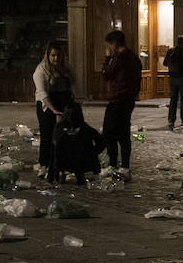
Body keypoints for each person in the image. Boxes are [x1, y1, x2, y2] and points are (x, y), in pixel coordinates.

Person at [101, 30, 141, 180]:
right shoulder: (134, 58)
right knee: (124, 133)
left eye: (110, 45)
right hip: (128, 100)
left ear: (114, 44)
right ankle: (125, 167)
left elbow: (106, 75)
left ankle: (113, 165)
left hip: (117, 99)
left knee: (109, 132)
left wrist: (107, 58)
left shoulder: (118, 58)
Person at [32, 41, 75, 173]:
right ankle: (44, 164)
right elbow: (43, 93)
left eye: (58, 55)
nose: (56, 58)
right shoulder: (41, 70)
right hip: (47, 105)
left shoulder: (66, 67)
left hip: (63, 103)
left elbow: (72, 84)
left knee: (63, 135)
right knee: (47, 135)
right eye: (53, 55)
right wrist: (54, 110)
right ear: (48, 55)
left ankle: (61, 163)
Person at [49, 102, 106, 185]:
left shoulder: (59, 128)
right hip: (82, 161)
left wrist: (53, 172)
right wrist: (92, 152)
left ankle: (62, 173)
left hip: (64, 161)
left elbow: (53, 149)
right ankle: (78, 175)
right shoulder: (84, 128)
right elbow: (101, 141)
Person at [163, 36, 183, 130]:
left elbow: (164, 63)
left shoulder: (170, 51)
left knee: (173, 100)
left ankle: (171, 120)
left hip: (172, 79)